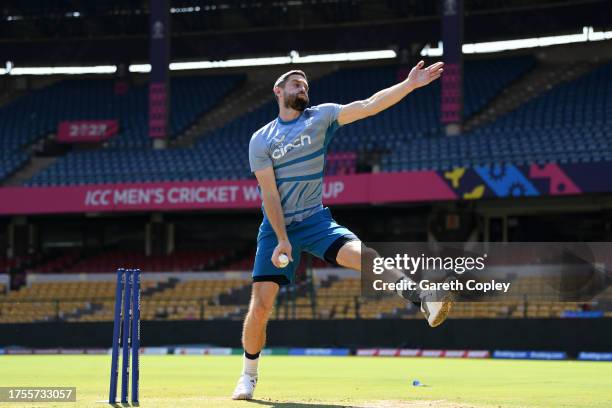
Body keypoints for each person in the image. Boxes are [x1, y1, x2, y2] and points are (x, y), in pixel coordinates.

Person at [233, 60, 449, 400]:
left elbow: (368, 105)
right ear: (278, 91)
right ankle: (248, 375)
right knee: (260, 306)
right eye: (295, 83)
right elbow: (270, 194)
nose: (302, 88)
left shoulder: (321, 116)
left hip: (316, 220)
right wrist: (283, 240)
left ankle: (420, 297)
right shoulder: (261, 139)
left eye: (305, 84)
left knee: (364, 255)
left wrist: (409, 85)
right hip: (277, 228)